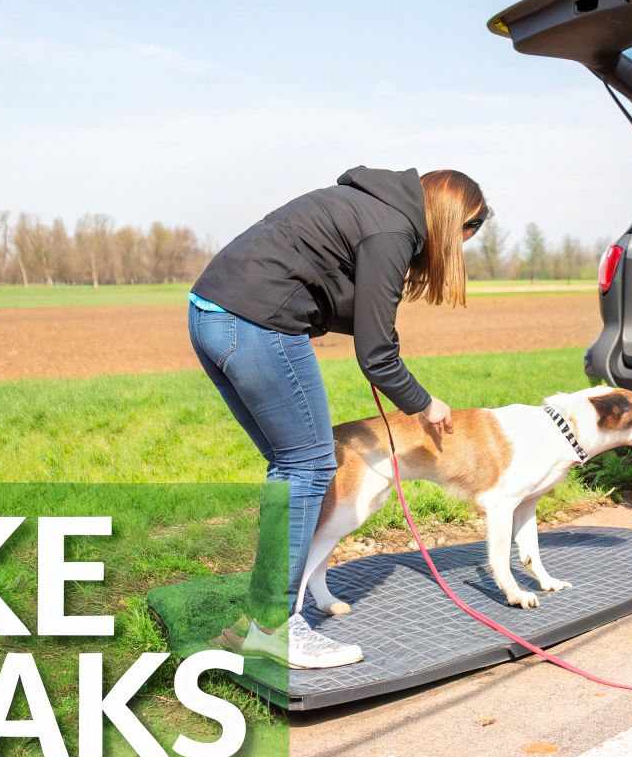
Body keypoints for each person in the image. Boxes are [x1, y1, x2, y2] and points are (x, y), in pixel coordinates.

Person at [187, 166, 489, 668]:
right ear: (454, 222)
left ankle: (259, 620)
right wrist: (424, 403)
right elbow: (376, 356)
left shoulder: (373, 206)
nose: (458, 251)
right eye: (464, 238)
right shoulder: (393, 230)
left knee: (292, 472)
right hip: (257, 323)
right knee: (307, 467)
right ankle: (277, 627)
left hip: (211, 314)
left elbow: (331, 293)